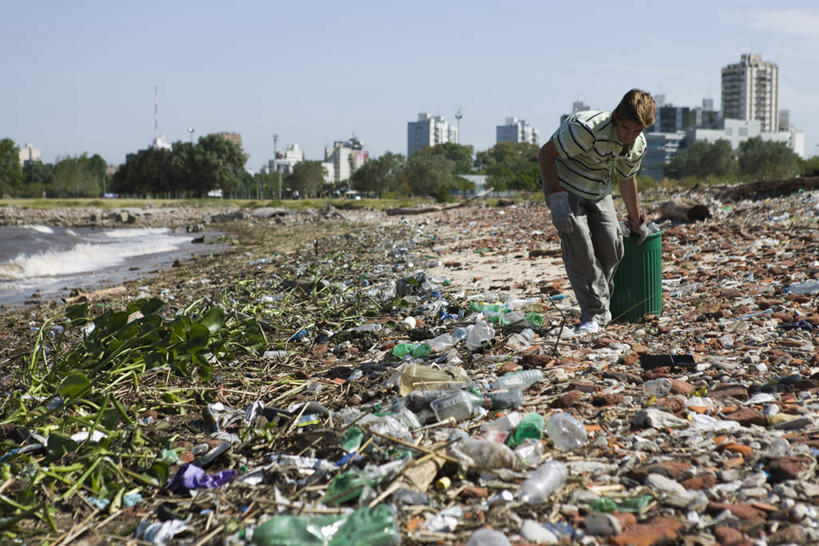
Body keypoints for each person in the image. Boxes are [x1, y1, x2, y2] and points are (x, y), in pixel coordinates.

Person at [538, 89, 655, 334]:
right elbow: (546, 154)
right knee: (579, 245)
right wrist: (556, 197)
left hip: (598, 189)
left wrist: (636, 219)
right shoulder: (587, 129)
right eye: (626, 128)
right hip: (565, 186)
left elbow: (626, 179)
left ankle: (601, 305)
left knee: (612, 246)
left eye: (637, 131)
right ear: (616, 118)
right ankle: (593, 314)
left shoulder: (636, 145)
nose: (629, 136)